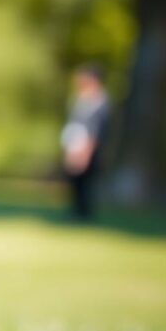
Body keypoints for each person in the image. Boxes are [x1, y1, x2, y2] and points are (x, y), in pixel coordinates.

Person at [60, 65, 110, 219]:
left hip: (89, 149)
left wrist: (86, 152)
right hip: (76, 147)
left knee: (86, 183)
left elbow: (95, 130)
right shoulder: (81, 100)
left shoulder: (99, 102)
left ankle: (84, 214)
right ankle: (76, 212)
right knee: (75, 182)